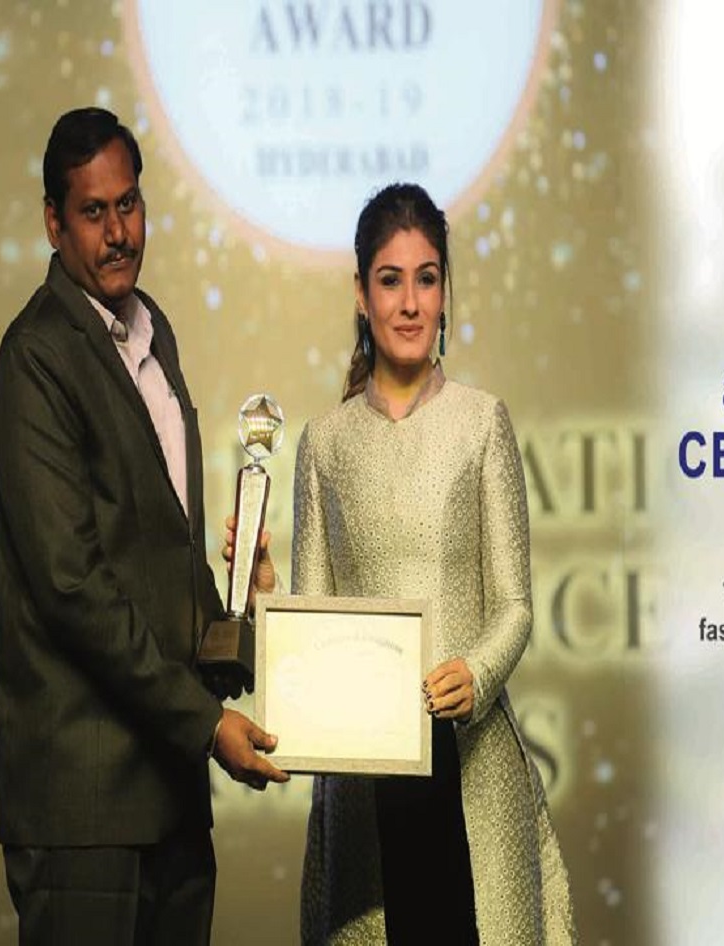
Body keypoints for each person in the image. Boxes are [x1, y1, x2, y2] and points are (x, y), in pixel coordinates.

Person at [0, 106, 288, 946]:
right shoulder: (36, 358)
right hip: (85, 811)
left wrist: (242, 612)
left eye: (129, 205)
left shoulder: (154, 334)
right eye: (93, 211)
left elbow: (161, 554)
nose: (118, 233)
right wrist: (207, 725)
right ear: (54, 222)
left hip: (171, 800)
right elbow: (74, 587)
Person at [280, 182, 576, 943]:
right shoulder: (324, 444)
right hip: (363, 789)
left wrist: (474, 673)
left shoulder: (482, 422)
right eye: (390, 280)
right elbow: (313, 626)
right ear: (360, 294)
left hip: (471, 776)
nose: (410, 303)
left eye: (427, 278)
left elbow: (515, 604)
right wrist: (265, 604)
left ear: (446, 293)